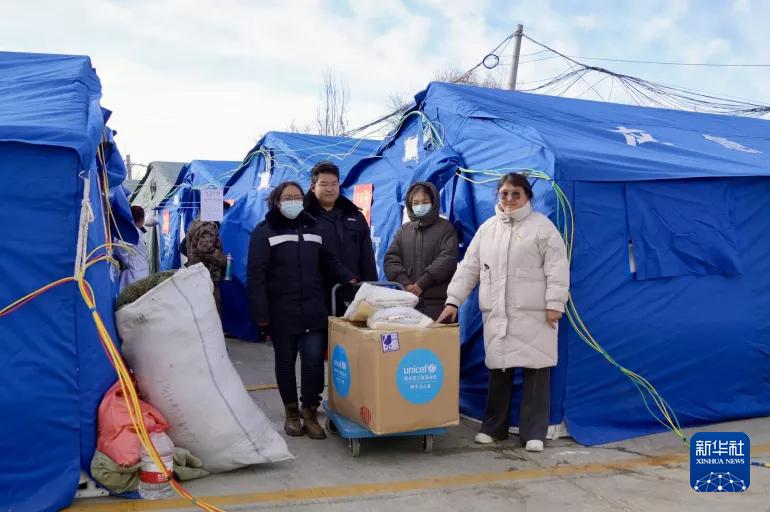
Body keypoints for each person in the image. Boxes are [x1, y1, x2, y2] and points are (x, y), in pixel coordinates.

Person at [436, 173, 570, 452]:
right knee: (499, 370)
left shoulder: (543, 228)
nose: (509, 199)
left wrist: (555, 304)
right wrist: (453, 300)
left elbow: (557, 269)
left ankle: (534, 432)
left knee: (536, 372)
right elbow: (469, 268)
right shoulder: (488, 229)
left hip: (535, 313)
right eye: (504, 193)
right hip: (498, 312)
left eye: (515, 194)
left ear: (527, 196)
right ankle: (494, 427)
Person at [248, 181, 356, 439]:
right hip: (281, 311)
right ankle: (292, 414)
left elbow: (327, 259)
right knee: (285, 364)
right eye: (288, 197)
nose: (293, 201)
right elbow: (256, 276)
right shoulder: (265, 231)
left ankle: (310, 412)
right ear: (276, 201)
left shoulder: (314, 227)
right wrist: (261, 315)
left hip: (313, 308)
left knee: (313, 364)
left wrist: (346, 275)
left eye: (297, 196)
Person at [303, 162, 378, 315]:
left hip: (352, 293)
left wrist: (372, 289)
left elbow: (367, 257)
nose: (330, 189)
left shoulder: (355, 216)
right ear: (313, 187)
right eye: (323, 184)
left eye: (334, 184)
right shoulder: (304, 218)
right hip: (317, 296)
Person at [384, 182, 458, 320]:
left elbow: (447, 259)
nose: (420, 206)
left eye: (425, 202)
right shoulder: (403, 230)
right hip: (408, 304)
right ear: (410, 205)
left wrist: (422, 284)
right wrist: (405, 283)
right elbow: (391, 259)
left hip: (438, 305)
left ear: (433, 202)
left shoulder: (445, 227)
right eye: (416, 203)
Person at [184, 202, 231, 314]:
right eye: (223, 211)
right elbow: (205, 248)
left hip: (197, 273)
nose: (223, 214)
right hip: (207, 274)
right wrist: (224, 261)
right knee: (212, 310)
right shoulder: (208, 225)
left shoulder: (195, 223)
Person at [114, 206, 150, 292]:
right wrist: (125, 261)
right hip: (135, 274)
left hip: (137, 272)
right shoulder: (132, 233)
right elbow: (120, 247)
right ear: (141, 219)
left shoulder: (133, 232)